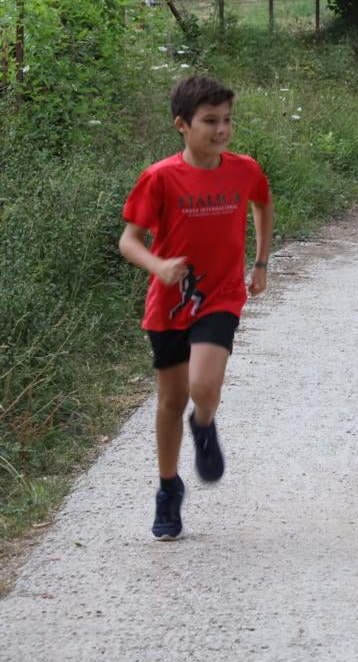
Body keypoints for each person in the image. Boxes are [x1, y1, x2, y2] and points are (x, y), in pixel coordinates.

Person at [118, 75, 274, 541]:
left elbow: (262, 205)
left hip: (221, 294)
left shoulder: (244, 169)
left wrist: (261, 262)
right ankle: (168, 488)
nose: (222, 129)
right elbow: (129, 241)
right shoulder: (160, 177)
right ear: (182, 125)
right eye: (210, 121)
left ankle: (203, 425)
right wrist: (158, 265)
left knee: (203, 386)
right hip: (169, 301)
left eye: (227, 120)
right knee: (170, 399)